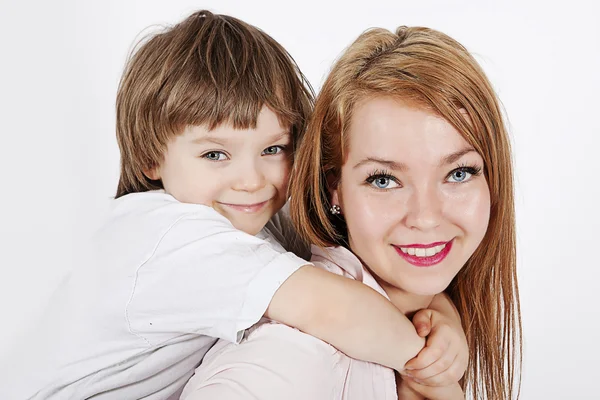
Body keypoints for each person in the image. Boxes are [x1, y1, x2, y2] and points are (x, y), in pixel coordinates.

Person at [1, 12, 466, 400]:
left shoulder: (248, 219)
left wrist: (439, 312)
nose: (251, 181)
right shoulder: (170, 235)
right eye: (215, 155)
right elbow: (333, 308)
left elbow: (373, 262)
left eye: (273, 149)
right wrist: (430, 364)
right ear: (149, 157)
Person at [180, 25, 522, 400]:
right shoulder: (287, 363)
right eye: (384, 180)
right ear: (334, 189)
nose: (426, 217)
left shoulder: (432, 333)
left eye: (459, 173)